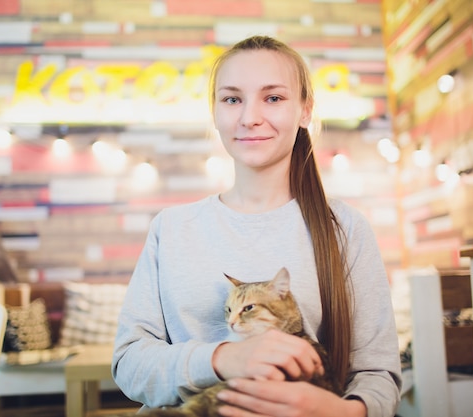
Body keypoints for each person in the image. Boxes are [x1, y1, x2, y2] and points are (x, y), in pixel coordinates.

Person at [112, 35, 402, 417]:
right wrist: (222, 358)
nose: (249, 117)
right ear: (215, 112)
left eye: (274, 98)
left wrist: (341, 411)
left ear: (304, 111)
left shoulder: (344, 228)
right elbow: (130, 366)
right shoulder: (172, 228)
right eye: (232, 99)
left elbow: (378, 374)